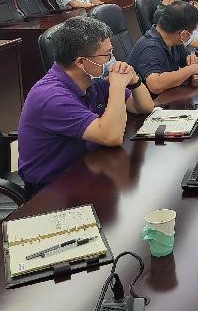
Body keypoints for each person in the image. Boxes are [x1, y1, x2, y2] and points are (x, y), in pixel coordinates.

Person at [17, 16, 154, 193]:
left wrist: (134, 80)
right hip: (51, 189)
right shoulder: (52, 97)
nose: (112, 60)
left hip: (88, 167)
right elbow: (111, 137)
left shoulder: (95, 79)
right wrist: (118, 87)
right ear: (81, 62)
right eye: (106, 55)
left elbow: (144, 107)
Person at [127, 1, 198, 95]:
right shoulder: (150, 47)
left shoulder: (174, 41)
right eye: (191, 32)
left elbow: (186, 60)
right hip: (150, 102)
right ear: (183, 33)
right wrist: (191, 69)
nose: (191, 35)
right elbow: (155, 85)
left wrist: (191, 59)